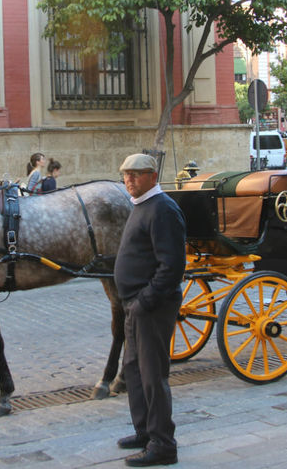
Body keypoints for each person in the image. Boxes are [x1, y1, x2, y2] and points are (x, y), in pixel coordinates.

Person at [114, 153, 185, 467]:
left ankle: (163, 444)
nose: (129, 180)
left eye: (136, 174)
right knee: (134, 370)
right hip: (134, 306)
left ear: (153, 176)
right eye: (126, 175)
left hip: (150, 307)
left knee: (153, 375)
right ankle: (144, 432)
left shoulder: (163, 209)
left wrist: (145, 301)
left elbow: (171, 266)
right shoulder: (140, 205)